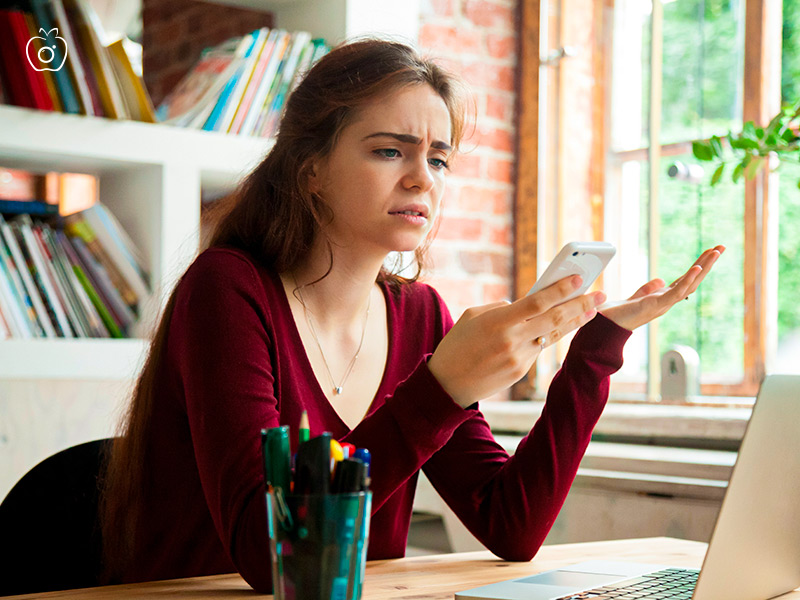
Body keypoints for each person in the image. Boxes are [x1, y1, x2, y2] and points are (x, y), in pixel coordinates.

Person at [99, 38, 723, 592]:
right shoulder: (228, 290)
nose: (423, 179)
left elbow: (511, 525)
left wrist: (594, 353)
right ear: (311, 169)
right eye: (390, 151)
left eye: (440, 158)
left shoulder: (420, 314)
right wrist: (443, 388)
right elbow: (276, 562)